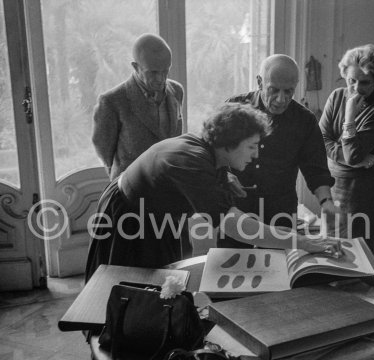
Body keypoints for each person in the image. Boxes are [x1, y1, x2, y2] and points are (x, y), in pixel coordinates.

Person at [85, 103, 338, 281]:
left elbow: (230, 211)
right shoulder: (192, 162)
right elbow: (234, 225)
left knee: (165, 284)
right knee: (130, 291)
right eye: (251, 146)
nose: (256, 154)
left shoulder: (208, 153)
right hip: (129, 217)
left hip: (156, 215)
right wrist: (301, 242)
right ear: (229, 143)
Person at [225, 54, 338, 246]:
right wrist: (223, 175)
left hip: (281, 209)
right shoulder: (234, 109)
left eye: (289, 92)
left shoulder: (305, 121)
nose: (281, 99)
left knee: (281, 269)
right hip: (238, 208)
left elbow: (316, 169)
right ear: (260, 82)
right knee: (234, 265)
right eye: (274, 90)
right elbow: (210, 152)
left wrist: (326, 202)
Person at [319, 44, 374, 252]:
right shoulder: (336, 96)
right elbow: (321, 139)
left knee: (356, 250)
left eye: (365, 82)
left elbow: (352, 155)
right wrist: (353, 158)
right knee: (330, 244)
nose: (356, 89)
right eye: (352, 81)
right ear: (345, 76)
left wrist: (349, 115)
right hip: (333, 182)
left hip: (362, 189)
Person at [92, 33, 184, 180]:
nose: (161, 79)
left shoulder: (177, 91)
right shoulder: (112, 101)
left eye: (165, 70)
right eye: (153, 72)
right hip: (131, 191)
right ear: (135, 67)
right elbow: (104, 152)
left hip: (168, 185)